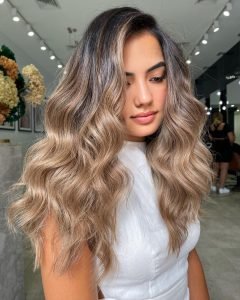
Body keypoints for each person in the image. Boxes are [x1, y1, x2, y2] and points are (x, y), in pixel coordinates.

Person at [8, 7, 213, 300]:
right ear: (94, 88)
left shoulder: (172, 160)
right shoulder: (70, 184)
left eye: (156, 78)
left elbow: (186, 258)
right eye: (123, 82)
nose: (144, 98)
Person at [209, 112, 235, 194]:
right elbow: (231, 139)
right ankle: (221, 188)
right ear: (221, 117)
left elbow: (210, 138)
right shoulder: (226, 126)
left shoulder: (211, 127)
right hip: (225, 150)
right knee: (224, 169)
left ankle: (212, 186)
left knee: (214, 169)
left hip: (215, 150)